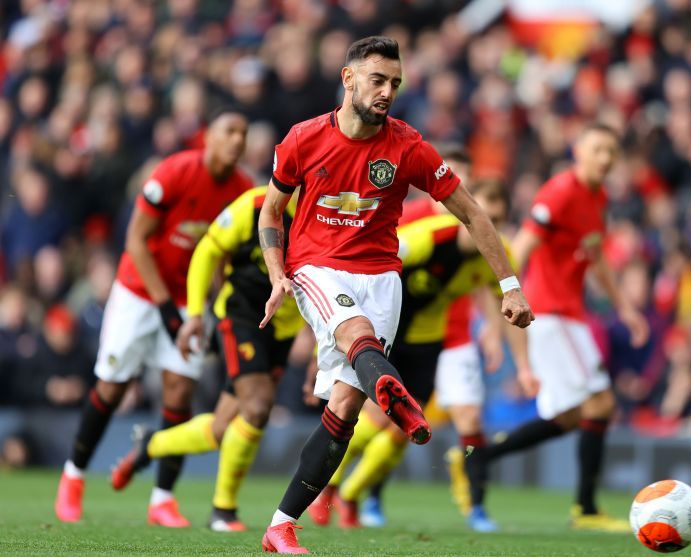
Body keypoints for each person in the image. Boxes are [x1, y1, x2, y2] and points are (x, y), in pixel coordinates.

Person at [257, 36, 532, 554]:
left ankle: (280, 524)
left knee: (342, 412)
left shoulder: (408, 147)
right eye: (378, 80)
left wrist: (510, 286)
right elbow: (271, 213)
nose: (387, 91)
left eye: (395, 84)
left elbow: (473, 213)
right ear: (349, 79)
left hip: (382, 278)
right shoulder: (303, 138)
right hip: (316, 266)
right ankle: (398, 394)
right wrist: (277, 275)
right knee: (359, 339)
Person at [54, 107, 252, 527]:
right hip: (138, 291)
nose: (237, 140)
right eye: (229, 131)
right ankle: (72, 478)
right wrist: (164, 307)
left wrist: (217, 312)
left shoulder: (242, 189)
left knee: (179, 392)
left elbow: (222, 259)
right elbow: (136, 241)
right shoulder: (174, 172)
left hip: (189, 299)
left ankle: (162, 498)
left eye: (243, 134)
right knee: (112, 386)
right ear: (209, 139)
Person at [456, 122, 650, 532]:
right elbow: (522, 246)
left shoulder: (597, 198)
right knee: (601, 405)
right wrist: (507, 298)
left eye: (612, 151)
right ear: (578, 150)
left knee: (570, 416)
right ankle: (586, 509)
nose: (606, 158)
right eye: (598, 149)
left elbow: (597, 260)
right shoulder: (560, 192)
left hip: (569, 315)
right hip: (551, 313)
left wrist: (625, 309)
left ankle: (481, 457)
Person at [308, 178, 520, 534]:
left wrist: (520, 360)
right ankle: (324, 485)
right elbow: (371, 268)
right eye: (479, 218)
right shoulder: (428, 238)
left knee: (405, 429)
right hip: (388, 333)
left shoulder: (497, 256)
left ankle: (351, 494)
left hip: (428, 342)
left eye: (494, 223)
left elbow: (506, 300)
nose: (485, 229)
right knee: (372, 421)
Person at [110, 186, 307, 531]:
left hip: (285, 327)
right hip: (242, 316)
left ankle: (151, 444)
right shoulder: (256, 205)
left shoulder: (330, 216)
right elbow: (207, 250)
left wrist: (319, 346)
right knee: (258, 408)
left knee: (220, 428)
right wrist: (196, 313)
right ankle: (223, 510)